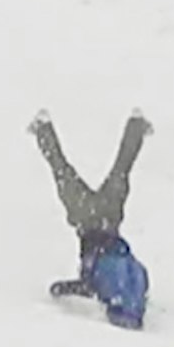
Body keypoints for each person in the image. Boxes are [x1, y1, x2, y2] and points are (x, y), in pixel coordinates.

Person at [28, 109, 152, 329]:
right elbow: (83, 287)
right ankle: (42, 128)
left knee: (120, 171)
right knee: (63, 173)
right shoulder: (106, 289)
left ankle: (137, 124)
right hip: (86, 222)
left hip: (111, 222)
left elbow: (141, 272)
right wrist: (59, 289)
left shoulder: (136, 285)